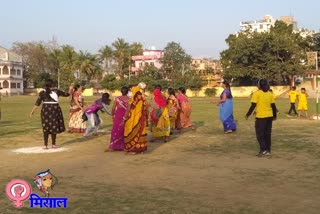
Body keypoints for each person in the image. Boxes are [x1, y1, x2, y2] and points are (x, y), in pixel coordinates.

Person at [30, 79, 72, 149]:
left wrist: (32, 111)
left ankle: (45, 145)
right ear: (52, 84)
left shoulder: (42, 92)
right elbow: (67, 94)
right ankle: (53, 144)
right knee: (54, 126)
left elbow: (37, 103)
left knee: (46, 127)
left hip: (45, 111)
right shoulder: (57, 91)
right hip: (55, 110)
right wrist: (70, 89)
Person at [245, 79, 277, 157]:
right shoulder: (270, 94)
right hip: (269, 116)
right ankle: (268, 150)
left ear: (259, 85)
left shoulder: (256, 94)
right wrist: (275, 116)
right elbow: (273, 106)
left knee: (260, 134)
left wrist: (248, 114)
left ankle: (263, 150)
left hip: (261, 117)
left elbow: (253, 105)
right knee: (267, 134)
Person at [123, 86, 148, 154]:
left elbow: (128, 110)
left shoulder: (132, 100)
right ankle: (141, 149)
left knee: (131, 132)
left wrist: (124, 119)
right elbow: (146, 110)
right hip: (142, 119)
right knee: (141, 133)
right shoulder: (143, 99)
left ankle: (133, 149)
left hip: (133, 120)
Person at [106, 86, 129, 152]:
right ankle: (123, 146)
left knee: (115, 130)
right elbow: (129, 109)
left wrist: (112, 115)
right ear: (127, 92)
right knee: (123, 130)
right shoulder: (129, 99)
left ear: (121, 91)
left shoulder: (117, 98)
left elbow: (113, 108)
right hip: (126, 116)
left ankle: (113, 146)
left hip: (118, 116)